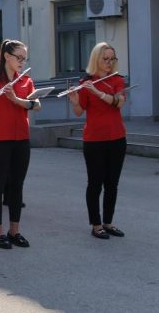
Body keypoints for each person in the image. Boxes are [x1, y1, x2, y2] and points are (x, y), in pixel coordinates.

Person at [0, 40, 39, 250]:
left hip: (22, 138)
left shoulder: (25, 80)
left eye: (24, 59)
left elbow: (36, 105)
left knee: (17, 185)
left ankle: (14, 231)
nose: (22, 62)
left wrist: (16, 99)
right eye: (19, 58)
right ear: (7, 56)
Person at [67, 42, 127, 240]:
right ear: (96, 60)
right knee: (95, 183)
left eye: (112, 59)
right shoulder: (86, 83)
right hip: (94, 140)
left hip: (117, 138)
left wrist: (98, 93)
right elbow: (79, 112)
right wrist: (75, 101)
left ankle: (108, 222)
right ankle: (96, 224)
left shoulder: (117, 80)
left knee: (112, 183)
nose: (109, 62)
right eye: (105, 59)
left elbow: (118, 102)